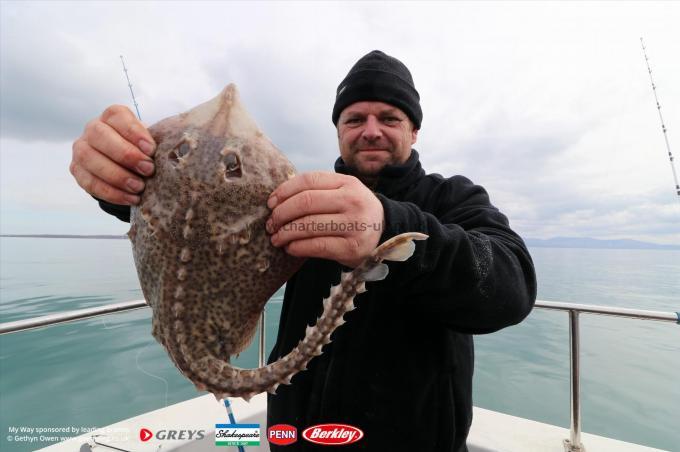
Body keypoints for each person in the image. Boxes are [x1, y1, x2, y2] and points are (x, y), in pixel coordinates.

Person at [70, 50, 536, 451]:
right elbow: (199, 228)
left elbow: (510, 284)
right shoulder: (301, 200)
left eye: (389, 118)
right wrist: (122, 182)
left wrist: (389, 227)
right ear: (338, 131)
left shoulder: (453, 199)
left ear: (414, 131)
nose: (371, 130)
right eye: (355, 119)